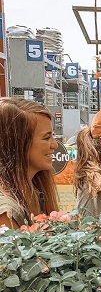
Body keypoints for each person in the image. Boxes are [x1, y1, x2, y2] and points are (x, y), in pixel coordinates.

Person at [0, 97, 59, 229]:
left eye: (53, 136)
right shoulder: (6, 212)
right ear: (17, 144)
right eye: (46, 137)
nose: (54, 145)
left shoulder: (35, 190)